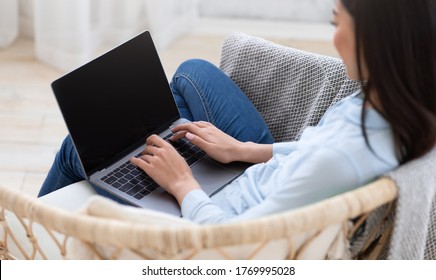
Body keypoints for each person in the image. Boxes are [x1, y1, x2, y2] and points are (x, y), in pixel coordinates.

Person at [39, 0, 436, 224]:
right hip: (250, 171)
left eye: (337, 21)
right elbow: (315, 150)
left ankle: (28, 239)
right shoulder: (394, 104)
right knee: (191, 75)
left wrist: (182, 185)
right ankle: (151, 136)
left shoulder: (342, 158)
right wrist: (245, 150)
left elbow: (232, 245)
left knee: (79, 149)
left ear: (377, 38)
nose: (333, 35)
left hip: (211, 213)